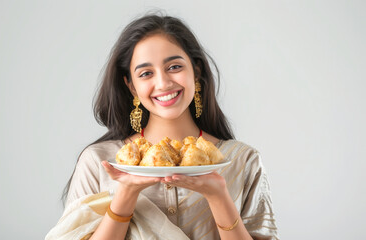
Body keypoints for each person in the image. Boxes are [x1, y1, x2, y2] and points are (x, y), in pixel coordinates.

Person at [48, 14, 278, 240]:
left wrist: (218, 197)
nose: (163, 83)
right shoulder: (100, 162)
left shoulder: (242, 161)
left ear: (196, 71)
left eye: (174, 67)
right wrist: (125, 194)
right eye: (146, 73)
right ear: (131, 86)